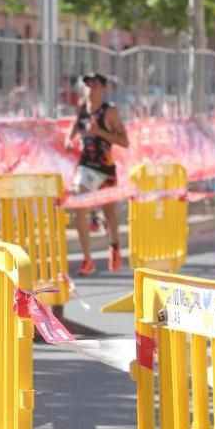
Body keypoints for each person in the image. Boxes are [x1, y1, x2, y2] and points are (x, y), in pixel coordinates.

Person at [68, 71, 129, 276]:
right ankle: (87, 259)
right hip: (87, 167)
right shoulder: (82, 109)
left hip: (105, 168)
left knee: (109, 212)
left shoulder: (109, 112)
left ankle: (114, 246)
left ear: (103, 89)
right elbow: (75, 125)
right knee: (79, 199)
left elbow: (124, 142)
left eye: (94, 85)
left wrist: (99, 132)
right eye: (87, 85)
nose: (90, 90)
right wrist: (70, 140)